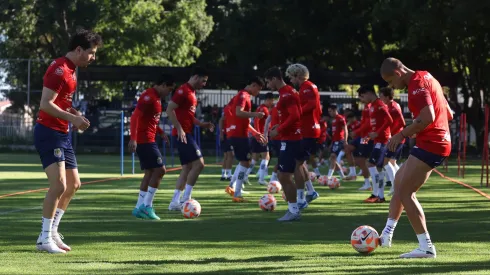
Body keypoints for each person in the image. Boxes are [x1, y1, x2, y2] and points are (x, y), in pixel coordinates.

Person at [34, 29, 102, 253]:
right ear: (79, 49)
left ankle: (53, 231)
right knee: (59, 185)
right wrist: (72, 117)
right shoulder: (59, 69)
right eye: (91, 53)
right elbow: (45, 104)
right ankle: (43, 239)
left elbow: (60, 103)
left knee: (74, 185)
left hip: (62, 133)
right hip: (48, 132)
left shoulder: (73, 71)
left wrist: (74, 113)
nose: (93, 57)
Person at [378, 57, 452, 258]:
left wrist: (402, 133)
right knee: (400, 184)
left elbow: (427, 118)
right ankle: (386, 235)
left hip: (432, 143)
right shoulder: (428, 77)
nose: (393, 87)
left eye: (392, 82)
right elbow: (448, 113)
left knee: (405, 192)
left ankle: (426, 247)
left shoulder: (417, 85)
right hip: (434, 141)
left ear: (398, 73)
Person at [166, 67, 215, 211]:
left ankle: (175, 202)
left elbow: (187, 114)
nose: (204, 84)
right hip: (182, 134)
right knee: (199, 164)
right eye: (203, 81)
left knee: (187, 168)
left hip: (185, 133)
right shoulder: (183, 91)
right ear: (195, 77)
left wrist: (201, 124)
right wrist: (180, 129)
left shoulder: (192, 93)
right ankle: (186, 199)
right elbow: (169, 109)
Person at [128, 74, 175, 220]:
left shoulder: (156, 98)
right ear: (162, 85)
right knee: (160, 170)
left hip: (148, 138)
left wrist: (160, 132)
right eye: (169, 89)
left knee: (149, 173)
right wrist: (133, 139)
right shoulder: (149, 96)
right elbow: (135, 117)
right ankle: (147, 206)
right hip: (144, 140)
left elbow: (150, 120)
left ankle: (138, 207)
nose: (169, 93)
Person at [266, 67, 304, 221]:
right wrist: (279, 127)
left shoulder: (287, 93)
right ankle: (295, 207)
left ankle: (294, 210)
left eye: (268, 82)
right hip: (291, 138)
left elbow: (295, 116)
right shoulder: (286, 92)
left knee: (283, 175)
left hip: (291, 140)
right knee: (286, 174)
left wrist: (279, 129)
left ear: (275, 79)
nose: (268, 86)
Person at [225, 77, 267, 201]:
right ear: (253, 85)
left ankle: (232, 186)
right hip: (238, 134)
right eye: (258, 89)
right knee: (245, 162)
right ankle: (237, 193)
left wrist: (255, 133)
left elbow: (242, 119)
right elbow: (239, 112)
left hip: (237, 133)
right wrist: (255, 114)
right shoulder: (244, 96)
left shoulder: (242, 95)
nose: (258, 92)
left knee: (244, 161)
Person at [285, 64, 320, 204]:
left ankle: (300, 199)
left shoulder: (307, 87)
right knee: (300, 162)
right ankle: (310, 192)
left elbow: (311, 105)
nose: (290, 80)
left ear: (297, 75)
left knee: (296, 164)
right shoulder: (309, 87)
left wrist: (294, 114)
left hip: (308, 130)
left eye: (291, 77)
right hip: (309, 129)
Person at [357, 87, 393, 204]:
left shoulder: (379, 104)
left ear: (368, 93)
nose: (362, 100)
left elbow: (389, 120)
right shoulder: (372, 106)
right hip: (377, 140)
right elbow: (376, 125)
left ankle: (376, 194)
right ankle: (380, 196)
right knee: (379, 167)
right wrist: (369, 136)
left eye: (362, 96)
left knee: (370, 164)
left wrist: (378, 133)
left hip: (382, 140)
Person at [379, 87, 406, 196]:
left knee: (386, 162)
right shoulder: (391, 106)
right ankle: (401, 184)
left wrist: (393, 134)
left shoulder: (393, 107)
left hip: (396, 138)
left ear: (386, 96)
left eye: (381, 96)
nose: (380, 98)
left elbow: (402, 122)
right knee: (392, 162)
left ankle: (395, 187)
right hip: (397, 138)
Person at [252, 92, 274, 185]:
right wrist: (259, 133)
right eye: (272, 100)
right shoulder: (264, 109)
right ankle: (261, 178)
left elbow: (256, 120)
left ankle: (245, 176)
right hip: (262, 135)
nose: (272, 102)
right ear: (268, 100)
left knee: (255, 158)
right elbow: (257, 121)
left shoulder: (260, 107)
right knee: (266, 157)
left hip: (258, 135)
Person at [326, 104, 348, 179]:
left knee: (333, 157)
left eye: (330, 111)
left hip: (340, 141)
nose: (329, 113)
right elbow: (334, 133)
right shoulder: (334, 120)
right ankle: (343, 176)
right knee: (333, 159)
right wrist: (332, 143)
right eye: (328, 111)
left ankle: (329, 177)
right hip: (335, 141)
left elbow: (345, 129)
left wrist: (345, 140)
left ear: (335, 110)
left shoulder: (340, 118)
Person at [219, 104, 233, 181]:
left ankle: (224, 174)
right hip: (227, 134)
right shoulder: (229, 109)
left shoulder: (229, 109)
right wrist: (221, 133)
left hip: (227, 134)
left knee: (227, 155)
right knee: (230, 155)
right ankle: (229, 174)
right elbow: (221, 120)